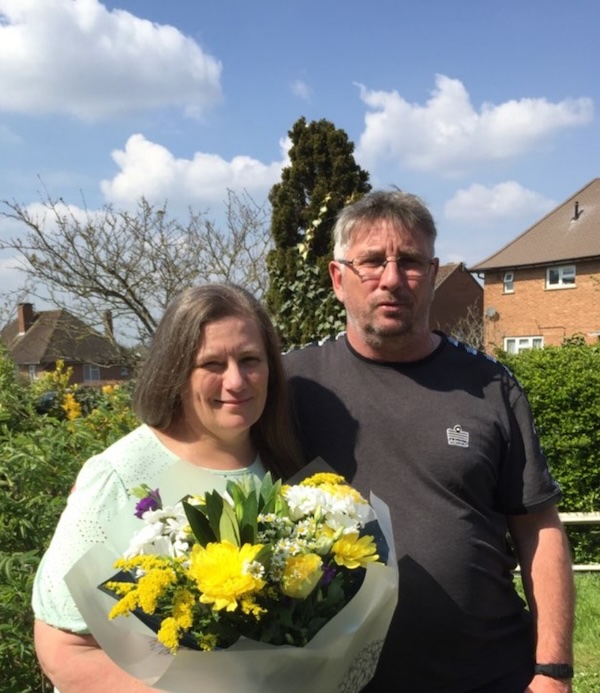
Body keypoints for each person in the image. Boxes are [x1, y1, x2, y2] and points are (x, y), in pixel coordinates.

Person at [283, 190, 575, 693]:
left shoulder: (491, 386)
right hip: (333, 682)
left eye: (411, 262)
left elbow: (538, 527)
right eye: (371, 262)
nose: (392, 279)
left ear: (435, 273)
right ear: (338, 278)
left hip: (486, 675)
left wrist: (552, 672)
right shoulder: (289, 386)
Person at [32, 283, 304, 693]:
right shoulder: (120, 477)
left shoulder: (281, 466)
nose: (236, 381)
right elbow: (63, 650)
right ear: (176, 371)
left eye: (250, 359)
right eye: (212, 363)